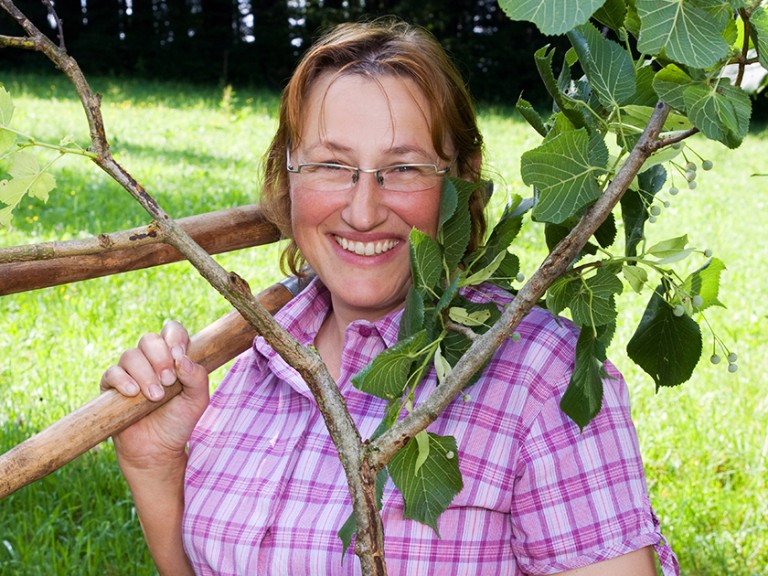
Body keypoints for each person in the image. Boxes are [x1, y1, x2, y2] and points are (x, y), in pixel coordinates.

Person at [101, 18, 680, 576]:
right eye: (331, 165)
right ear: (288, 175)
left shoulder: (544, 378)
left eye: (403, 168)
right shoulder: (261, 361)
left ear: (463, 178)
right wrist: (153, 463)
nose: (363, 210)